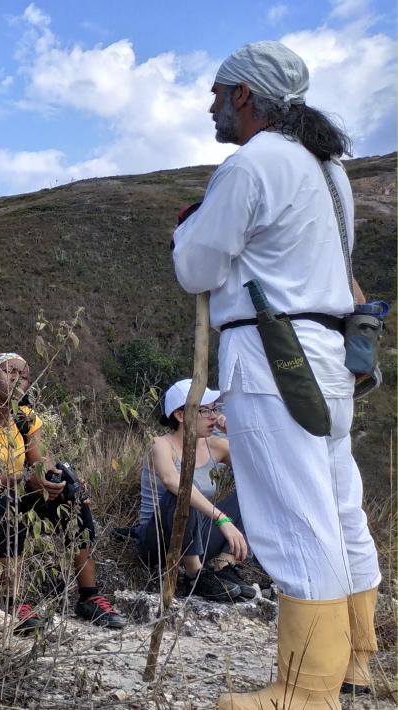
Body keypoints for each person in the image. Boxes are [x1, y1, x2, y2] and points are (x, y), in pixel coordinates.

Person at [172, 41, 380, 706]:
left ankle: (304, 691)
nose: (210, 105)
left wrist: (186, 231)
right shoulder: (328, 171)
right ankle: (355, 661)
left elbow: (197, 269)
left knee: (295, 518)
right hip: (326, 355)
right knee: (339, 508)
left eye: (216, 93)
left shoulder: (253, 164)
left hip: (270, 356)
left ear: (242, 95)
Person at [0, 353, 125, 632]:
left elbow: (40, 463)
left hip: (10, 494)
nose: (18, 379)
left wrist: (57, 481)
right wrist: (22, 479)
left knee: (71, 497)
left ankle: (89, 597)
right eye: (9, 371)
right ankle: (11, 602)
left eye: (23, 375)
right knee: (2, 498)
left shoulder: (24, 420)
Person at [137, 379, 255, 602]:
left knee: (251, 492)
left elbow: (258, 470)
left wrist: (236, 435)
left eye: (214, 409)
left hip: (197, 537)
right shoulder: (160, 444)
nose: (213, 416)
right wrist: (222, 519)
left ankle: (223, 565)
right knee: (180, 494)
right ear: (180, 416)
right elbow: (173, 482)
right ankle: (194, 575)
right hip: (159, 541)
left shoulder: (215, 445)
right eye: (205, 410)